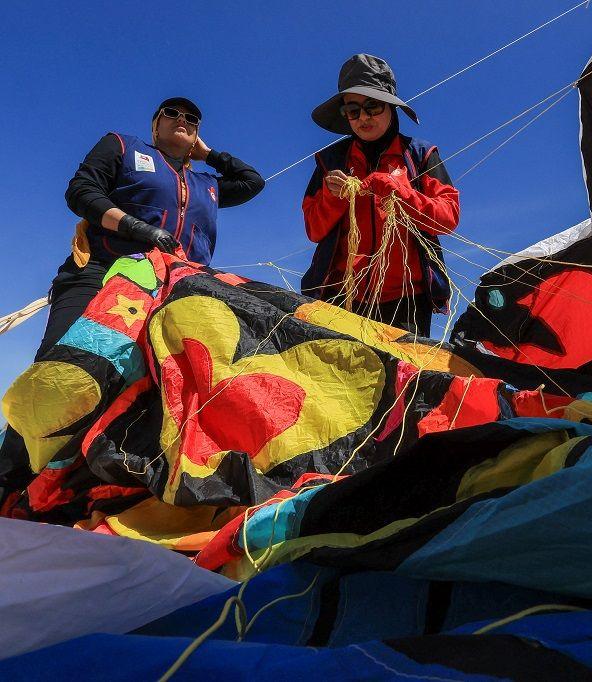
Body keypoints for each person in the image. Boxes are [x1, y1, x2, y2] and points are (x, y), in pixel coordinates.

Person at [0, 97, 264, 503]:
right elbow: (81, 191)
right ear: (155, 124)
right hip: (104, 271)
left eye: (192, 118)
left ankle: (103, 486)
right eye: (172, 114)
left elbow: (252, 182)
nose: (183, 120)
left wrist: (208, 153)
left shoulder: (207, 183)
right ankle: (10, 478)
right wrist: (136, 228)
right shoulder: (123, 147)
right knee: (65, 362)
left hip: (174, 291)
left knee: (157, 386)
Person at [301, 54, 460, 337]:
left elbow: (448, 217)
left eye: (372, 106)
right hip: (341, 296)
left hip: (407, 302)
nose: (363, 117)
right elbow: (313, 229)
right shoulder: (330, 161)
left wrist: (400, 192)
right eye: (353, 110)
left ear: (391, 107)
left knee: (400, 379)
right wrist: (333, 196)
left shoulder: (421, 156)